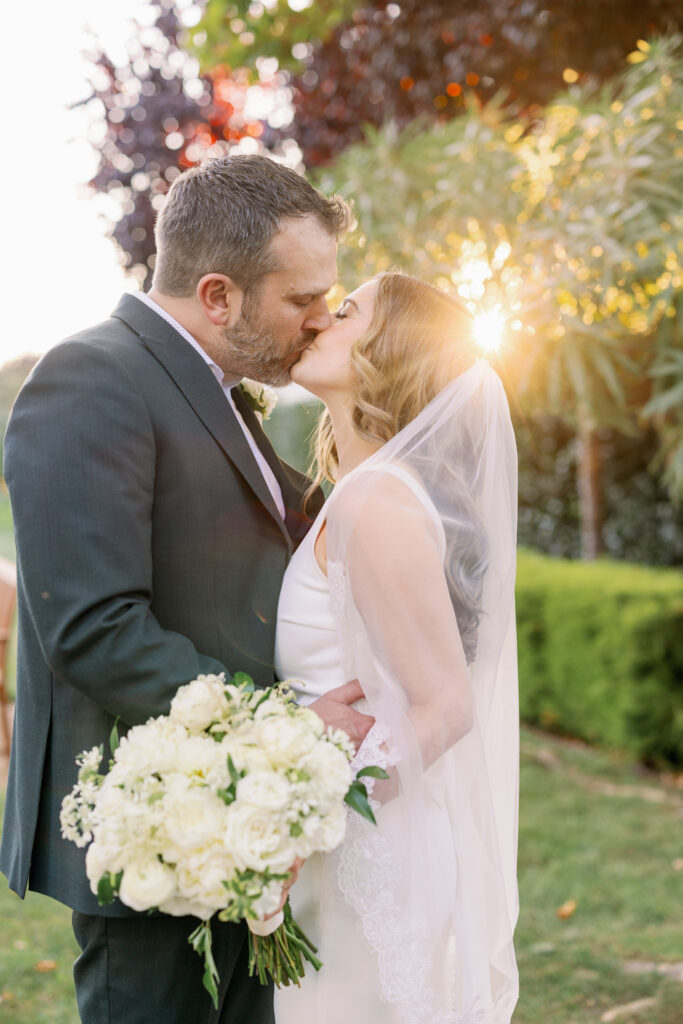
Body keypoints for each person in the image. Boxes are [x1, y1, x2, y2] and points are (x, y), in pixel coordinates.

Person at [0, 154, 375, 1024]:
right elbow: (94, 629)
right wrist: (283, 732)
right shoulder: (89, 378)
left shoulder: (213, 386)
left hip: (241, 812)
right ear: (218, 296)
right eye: (302, 300)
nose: (321, 320)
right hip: (152, 819)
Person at [274, 273, 520, 1024]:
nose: (318, 321)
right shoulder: (362, 492)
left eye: (345, 312)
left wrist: (299, 817)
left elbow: (443, 708)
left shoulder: (375, 500)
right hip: (353, 846)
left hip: (366, 862)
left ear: (388, 353)